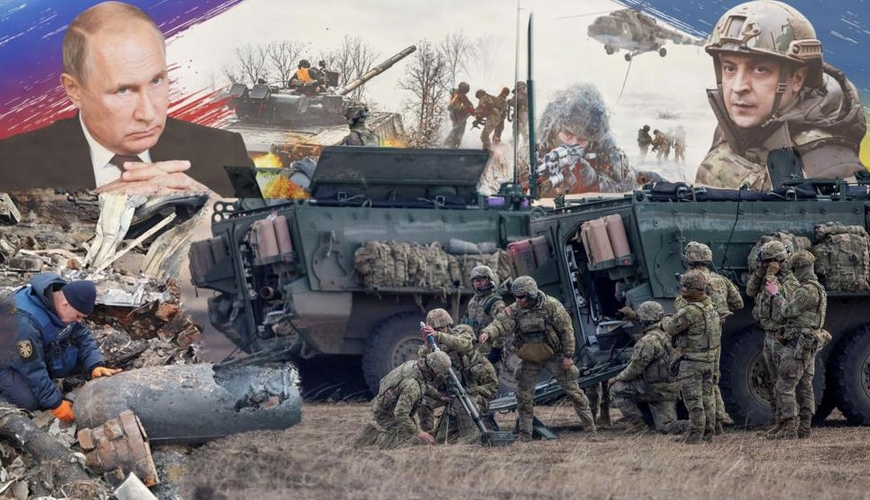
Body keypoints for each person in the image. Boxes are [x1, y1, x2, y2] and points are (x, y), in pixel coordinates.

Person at [0, 1, 254, 197]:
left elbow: (267, 237)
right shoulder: (10, 165)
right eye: (123, 90)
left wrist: (214, 209)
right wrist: (94, 210)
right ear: (74, 90)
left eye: (156, 81)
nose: (148, 114)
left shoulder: (227, 151)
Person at [694, 0, 866, 190]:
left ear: (797, 78)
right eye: (729, 68)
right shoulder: (734, 126)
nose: (738, 87)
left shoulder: (830, 167)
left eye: (760, 69)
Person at [479, 276, 596, 441]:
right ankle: (525, 434)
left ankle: (590, 429)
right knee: (524, 397)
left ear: (531, 294)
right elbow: (500, 323)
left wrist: (568, 355)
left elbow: (566, 331)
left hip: (554, 355)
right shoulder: (514, 310)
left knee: (574, 391)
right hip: (530, 357)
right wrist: (487, 333)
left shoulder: (551, 306)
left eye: (521, 297)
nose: (518, 300)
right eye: (515, 297)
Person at [0, 273, 121, 422]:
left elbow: (83, 335)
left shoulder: (67, 300)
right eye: (78, 316)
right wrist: (55, 403)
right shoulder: (25, 323)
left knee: (77, 361)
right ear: (65, 305)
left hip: (35, 350)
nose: (79, 321)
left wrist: (95, 364)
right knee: (29, 402)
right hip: (8, 360)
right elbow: (33, 369)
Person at [674, 241, 743, 434]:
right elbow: (738, 303)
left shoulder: (690, 281)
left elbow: (681, 309)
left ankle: (704, 426)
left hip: (696, 338)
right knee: (713, 378)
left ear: (689, 260)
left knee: (699, 383)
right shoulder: (721, 280)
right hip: (717, 334)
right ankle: (717, 421)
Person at [764, 250, 827, 439]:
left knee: (785, 384)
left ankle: (789, 428)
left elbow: (788, 311)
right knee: (805, 385)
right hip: (808, 342)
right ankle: (804, 427)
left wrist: (775, 294)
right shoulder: (819, 288)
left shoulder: (806, 290)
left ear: (800, 269)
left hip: (798, 343)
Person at [536, 83, 637, 196]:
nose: (573, 143)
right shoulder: (538, 149)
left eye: (582, 139)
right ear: (555, 130)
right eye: (568, 135)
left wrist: (594, 181)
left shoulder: (603, 146)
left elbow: (628, 184)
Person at [418, 309, 497, 441]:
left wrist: (439, 335)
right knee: (423, 401)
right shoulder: (434, 344)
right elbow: (423, 360)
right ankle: (428, 434)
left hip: (474, 391)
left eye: (441, 328)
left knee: (465, 435)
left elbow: (464, 345)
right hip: (450, 391)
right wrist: (428, 343)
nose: (438, 331)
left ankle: (476, 429)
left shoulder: (462, 332)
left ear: (448, 325)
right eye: (435, 329)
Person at [661, 270, 721, 444]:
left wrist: (665, 320)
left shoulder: (690, 311)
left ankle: (695, 435)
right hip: (708, 360)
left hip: (692, 363)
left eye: (686, 287)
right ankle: (708, 432)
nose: (683, 290)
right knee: (707, 399)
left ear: (695, 289)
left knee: (693, 401)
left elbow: (670, 328)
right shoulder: (711, 308)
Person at [746, 240, 800, 432]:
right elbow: (750, 291)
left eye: (767, 262)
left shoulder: (789, 281)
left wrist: (770, 276)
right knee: (772, 381)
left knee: (783, 382)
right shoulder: (766, 277)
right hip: (769, 333)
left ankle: (790, 423)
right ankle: (779, 420)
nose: (764, 265)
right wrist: (760, 274)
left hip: (782, 336)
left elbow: (783, 303)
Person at [609, 302, 686, 434]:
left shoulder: (648, 341)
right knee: (666, 427)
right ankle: (699, 425)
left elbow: (634, 369)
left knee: (616, 389)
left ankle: (638, 425)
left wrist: (617, 378)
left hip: (654, 389)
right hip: (672, 388)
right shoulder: (669, 333)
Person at [354, 350, 452, 449]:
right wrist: (418, 432)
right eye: (439, 372)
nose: (439, 375)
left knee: (412, 434)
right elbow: (400, 413)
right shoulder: (412, 386)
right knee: (406, 439)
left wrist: (438, 396)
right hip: (387, 414)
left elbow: (423, 385)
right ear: (433, 370)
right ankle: (373, 436)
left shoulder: (415, 366)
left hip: (391, 407)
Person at [462, 266, 506, 371]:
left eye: (482, 279)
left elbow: (502, 325)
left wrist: (496, 349)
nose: (478, 282)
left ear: (489, 280)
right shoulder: (473, 301)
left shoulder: (495, 302)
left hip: (489, 349)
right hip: (474, 348)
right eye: (475, 280)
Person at [443, 82, 476, 149]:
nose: (465, 93)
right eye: (465, 91)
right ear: (462, 89)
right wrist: (466, 109)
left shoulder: (462, 96)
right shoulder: (456, 95)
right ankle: (448, 143)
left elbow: (468, 103)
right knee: (457, 128)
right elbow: (456, 106)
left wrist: (470, 108)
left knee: (460, 129)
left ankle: (455, 144)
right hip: (456, 114)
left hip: (461, 115)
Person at [510, 81, 529, 147]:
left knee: (526, 137)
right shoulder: (515, 97)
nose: (522, 90)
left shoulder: (527, 97)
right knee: (516, 137)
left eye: (523, 88)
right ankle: (515, 148)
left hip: (525, 120)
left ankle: (526, 149)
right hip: (518, 119)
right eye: (521, 88)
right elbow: (511, 103)